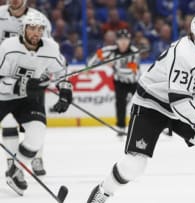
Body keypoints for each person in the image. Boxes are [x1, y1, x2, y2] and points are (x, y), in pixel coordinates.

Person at [87, 13, 195, 203]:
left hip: (180, 106)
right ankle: (103, 191)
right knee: (135, 164)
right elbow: (178, 100)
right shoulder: (184, 53)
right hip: (151, 103)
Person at [0, 11, 72, 195]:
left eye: (40, 29)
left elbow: (62, 72)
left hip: (27, 100)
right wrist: (21, 84)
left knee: (37, 134)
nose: (36, 33)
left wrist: (65, 92)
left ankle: (15, 171)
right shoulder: (8, 47)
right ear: (23, 29)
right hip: (3, 97)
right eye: (32, 28)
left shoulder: (50, 48)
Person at [0, 0, 52, 176]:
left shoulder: (38, 19)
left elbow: (46, 51)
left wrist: (43, 75)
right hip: (5, 77)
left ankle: (37, 157)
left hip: (31, 79)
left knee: (36, 123)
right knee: (8, 121)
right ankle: (12, 163)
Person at [87, 29, 140, 137]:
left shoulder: (134, 52)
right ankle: (121, 127)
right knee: (120, 103)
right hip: (119, 81)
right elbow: (98, 55)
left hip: (133, 81)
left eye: (126, 39)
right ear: (117, 41)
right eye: (121, 40)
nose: (123, 42)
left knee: (140, 104)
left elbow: (132, 71)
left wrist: (114, 64)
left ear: (130, 41)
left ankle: (143, 126)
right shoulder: (111, 50)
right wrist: (89, 67)